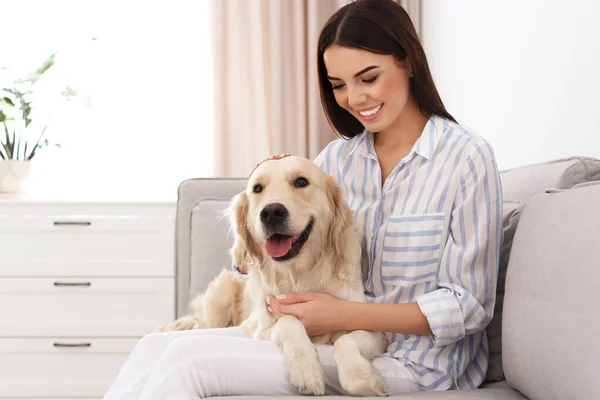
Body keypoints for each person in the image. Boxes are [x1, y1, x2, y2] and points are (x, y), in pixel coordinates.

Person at [102, 0, 502, 398]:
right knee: (157, 346)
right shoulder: (335, 161)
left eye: (369, 78)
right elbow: (285, 253)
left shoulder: (466, 158)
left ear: (409, 61)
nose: (355, 98)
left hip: (416, 363)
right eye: (339, 85)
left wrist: (347, 315)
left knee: (190, 363)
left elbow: (468, 305)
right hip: (328, 342)